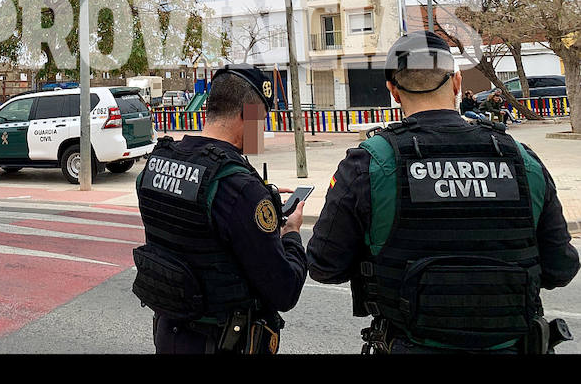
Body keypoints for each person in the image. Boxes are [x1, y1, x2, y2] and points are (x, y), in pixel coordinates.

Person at [307, 31, 579, 354]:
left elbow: (324, 265)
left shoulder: (369, 163)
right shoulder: (522, 160)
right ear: (456, 82)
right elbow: (561, 267)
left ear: (393, 91)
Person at [132, 64, 308, 354]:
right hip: (224, 342)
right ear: (245, 115)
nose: (260, 131)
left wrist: (262, 196)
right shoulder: (239, 189)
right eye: (260, 121)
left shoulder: (154, 165)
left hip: (170, 335)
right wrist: (290, 233)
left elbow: (195, 222)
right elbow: (284, 291)